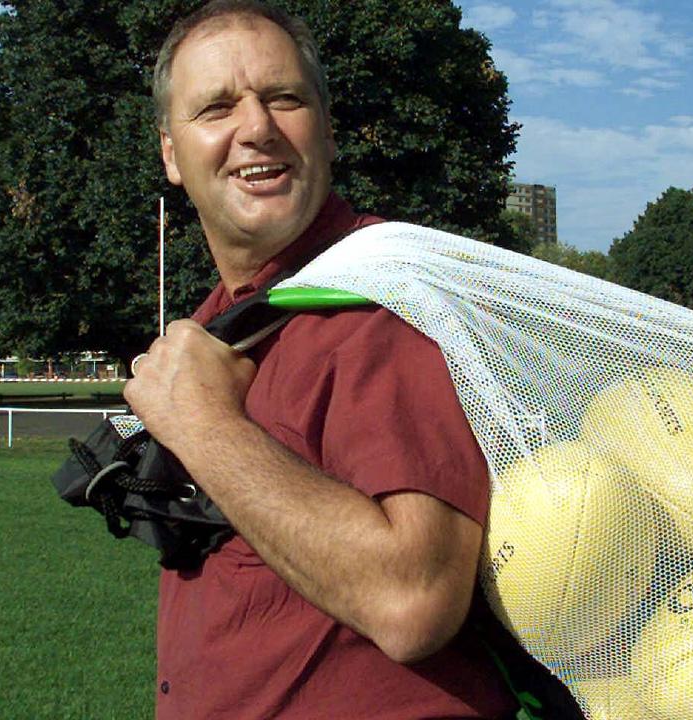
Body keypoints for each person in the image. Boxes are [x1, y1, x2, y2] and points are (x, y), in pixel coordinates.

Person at [123, 1, 518, 717]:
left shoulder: (387, 303)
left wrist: (203, 423)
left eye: (285, 98)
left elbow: (414, 598)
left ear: (328, 131)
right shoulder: (226, 324)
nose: (256, 128)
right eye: (216, 107)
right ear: (172, 155)